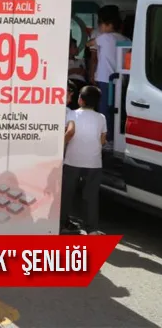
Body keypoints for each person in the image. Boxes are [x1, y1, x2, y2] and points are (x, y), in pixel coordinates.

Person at [61, 85, 107, 235]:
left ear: (80, 99)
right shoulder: (101, 117)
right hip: (94, 162)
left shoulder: (72, 114)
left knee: (67, 193)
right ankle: (92, 229)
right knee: (91, 196)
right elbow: (102, 140)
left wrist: (60, 145)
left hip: (72, 160)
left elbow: (70, 132)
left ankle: (61, 224)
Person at [87, 6, 128, 145]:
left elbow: (88, 44)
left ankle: (107, 140)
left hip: (105, 79)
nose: (99, 27)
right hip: (120, 80)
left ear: (109, 25)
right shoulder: (125, 39)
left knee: (104, 111)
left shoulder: (104, 37)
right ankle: (116, 138)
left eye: (101, 24)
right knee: (117, 110)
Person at [68, 38, 87, 110]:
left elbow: (83, 72)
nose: (77, 49)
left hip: (81, 83)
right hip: (70, 83)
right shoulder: (64, 61)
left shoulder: (81, 61)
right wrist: (73, 71)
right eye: (75, 47)